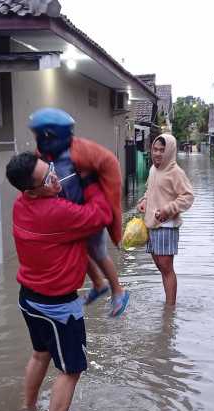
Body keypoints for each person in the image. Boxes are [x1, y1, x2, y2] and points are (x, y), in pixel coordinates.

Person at [6, 151, 112, 411]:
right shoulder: (58, 213)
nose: (55, 178)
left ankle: (27, 408)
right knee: (71, 370)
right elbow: (102, 215)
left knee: (40, 354)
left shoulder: (20, 205)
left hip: (29, 299)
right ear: (32, 190)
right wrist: (91, 183)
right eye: (46, 178)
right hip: (58, 308)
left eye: (51, 169)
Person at [29, 108, 129, 317]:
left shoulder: (80, 154)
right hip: (70, 214)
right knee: (79, 252)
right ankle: (99, 285)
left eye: (39, 135)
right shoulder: (46, 156)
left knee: (99, 253)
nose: (37, 139)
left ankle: (118, 290)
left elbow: (108, 164)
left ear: (50, 135)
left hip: (89, 213)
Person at [137, 134, 194, 306]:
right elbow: (151, 190)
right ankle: (168, 306)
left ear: (169, 150)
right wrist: (144, 201)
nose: (158, 153)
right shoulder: (154, 169)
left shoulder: (175, 172)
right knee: (161, 267)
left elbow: (188, 197)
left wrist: (168, 210)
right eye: (155, 149)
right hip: (152, 225)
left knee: (167, 268)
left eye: (162, 150)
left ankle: (170, 310)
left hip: (167, 226)